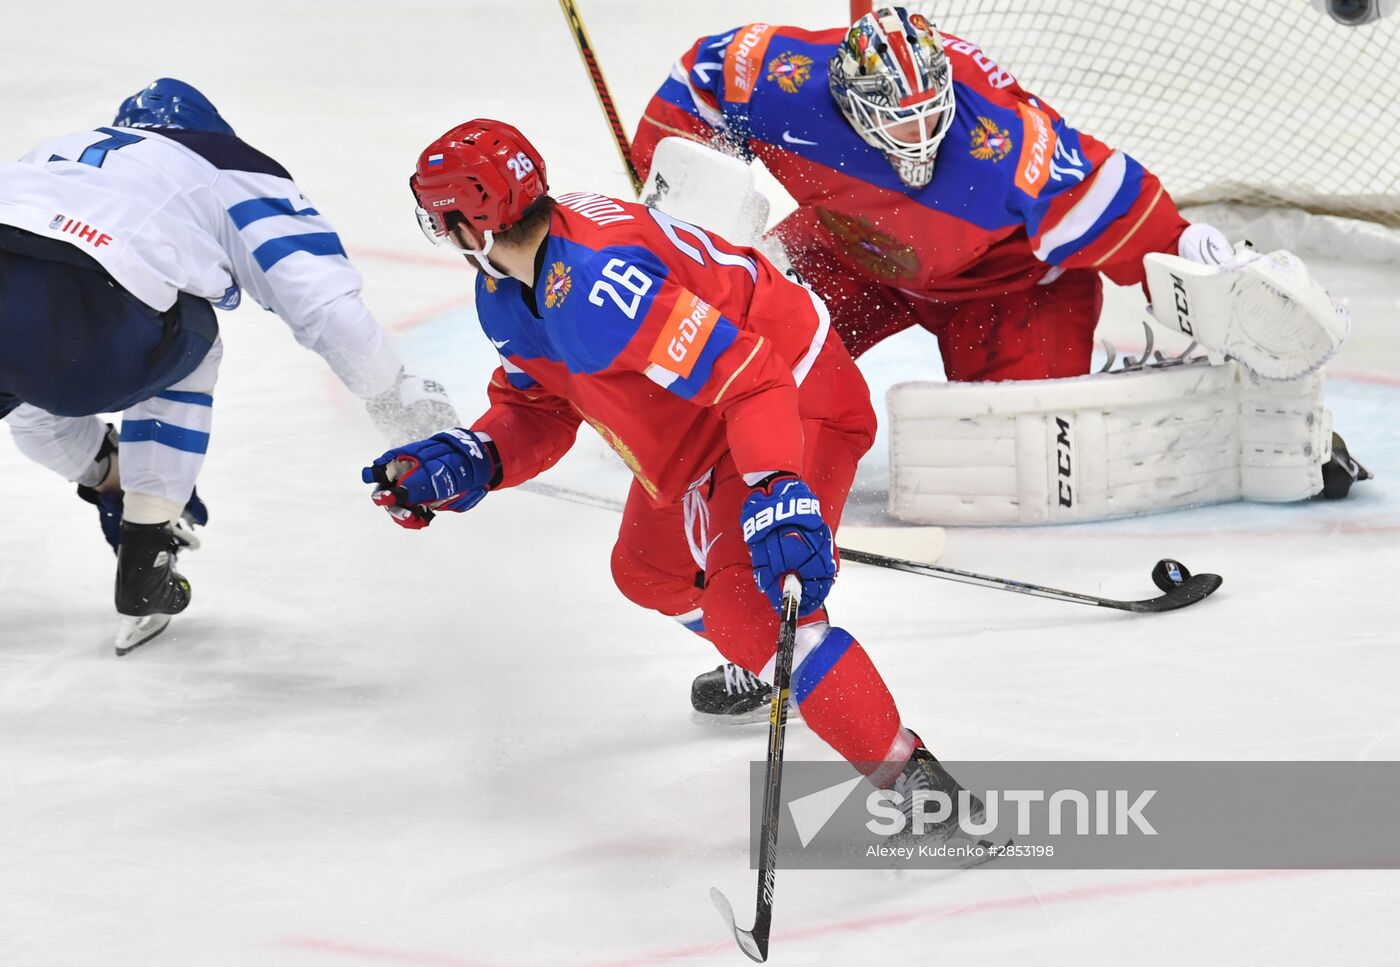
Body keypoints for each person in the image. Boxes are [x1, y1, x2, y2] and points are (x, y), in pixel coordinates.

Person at [631, 6, 1370, 719]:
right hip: (856, 254)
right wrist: (679, 196)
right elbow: (694, 82)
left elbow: (1121, 201)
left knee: (1027, 447)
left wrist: (1190, 252)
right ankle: (742, 591)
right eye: (898, 121)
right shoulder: (784, 76)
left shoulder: (1007, 145)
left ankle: (1204, 404)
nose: (920, 138)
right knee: (736, 338)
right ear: (851, 103)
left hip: (1005, 288)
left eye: (932, 116)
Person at [361, 117, 982, 839]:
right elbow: (538, 408)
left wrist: (778, 487)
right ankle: (774, 670)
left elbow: (752, 375)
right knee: (648, 570)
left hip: (793, 396)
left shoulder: (597, 286)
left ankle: (915, 781)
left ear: (473, 223)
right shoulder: (509, 291)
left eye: (443, 221)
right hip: (708, 418)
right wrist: (472, 456)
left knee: (749, 611)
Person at [0, 78, 457, 653]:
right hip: (98, 301)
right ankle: (147, 540)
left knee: (28, 368)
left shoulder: (57, 150)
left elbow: (38, 354)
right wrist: (392, 394)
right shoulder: (225, 161)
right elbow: (320, 301)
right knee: (188, 340)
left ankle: (106, 473)